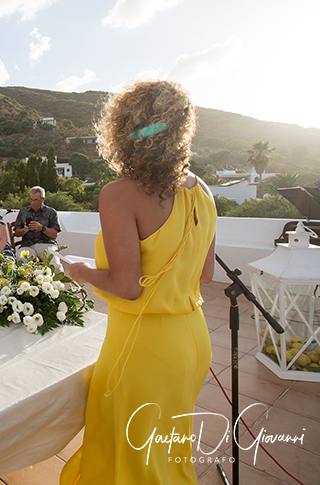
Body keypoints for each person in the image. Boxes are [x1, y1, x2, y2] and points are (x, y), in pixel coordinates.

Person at [60, 80, 217, 484]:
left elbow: (128, 286)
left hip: (143, 349)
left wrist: (78, 270)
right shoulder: (203, 192)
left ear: (123, 130)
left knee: (130, 460)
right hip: (193, 342)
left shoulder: (119, 195)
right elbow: (206, 273)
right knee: (166, 455)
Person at [13, 186, 63, 272]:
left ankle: (56, 285)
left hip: (46, 244)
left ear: (42, 199)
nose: (33, 202)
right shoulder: (23, 212)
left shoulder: (51, 212)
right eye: (31, 199)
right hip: (27, 245)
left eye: (36, 200)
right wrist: (23, 230)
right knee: (21, 262)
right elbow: (17, 233)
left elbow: (54, 234)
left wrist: (42, 228)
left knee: (55, 267)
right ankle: (27, 284)